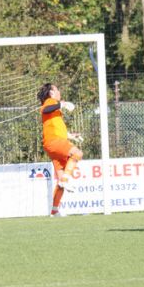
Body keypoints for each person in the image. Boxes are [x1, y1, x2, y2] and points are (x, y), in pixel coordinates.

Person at [38, 83, 83, 217]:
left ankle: (54, 210)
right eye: (57, 89)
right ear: (51, 93)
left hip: (52, 144)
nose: (59, 91)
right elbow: (45, 109)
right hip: (54, 142)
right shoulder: (50, 102)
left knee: (61, 179)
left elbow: (55, 128)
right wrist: (62, 104)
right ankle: (65, 180)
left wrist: (71, 136)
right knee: (77, 153)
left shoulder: (55, 109)